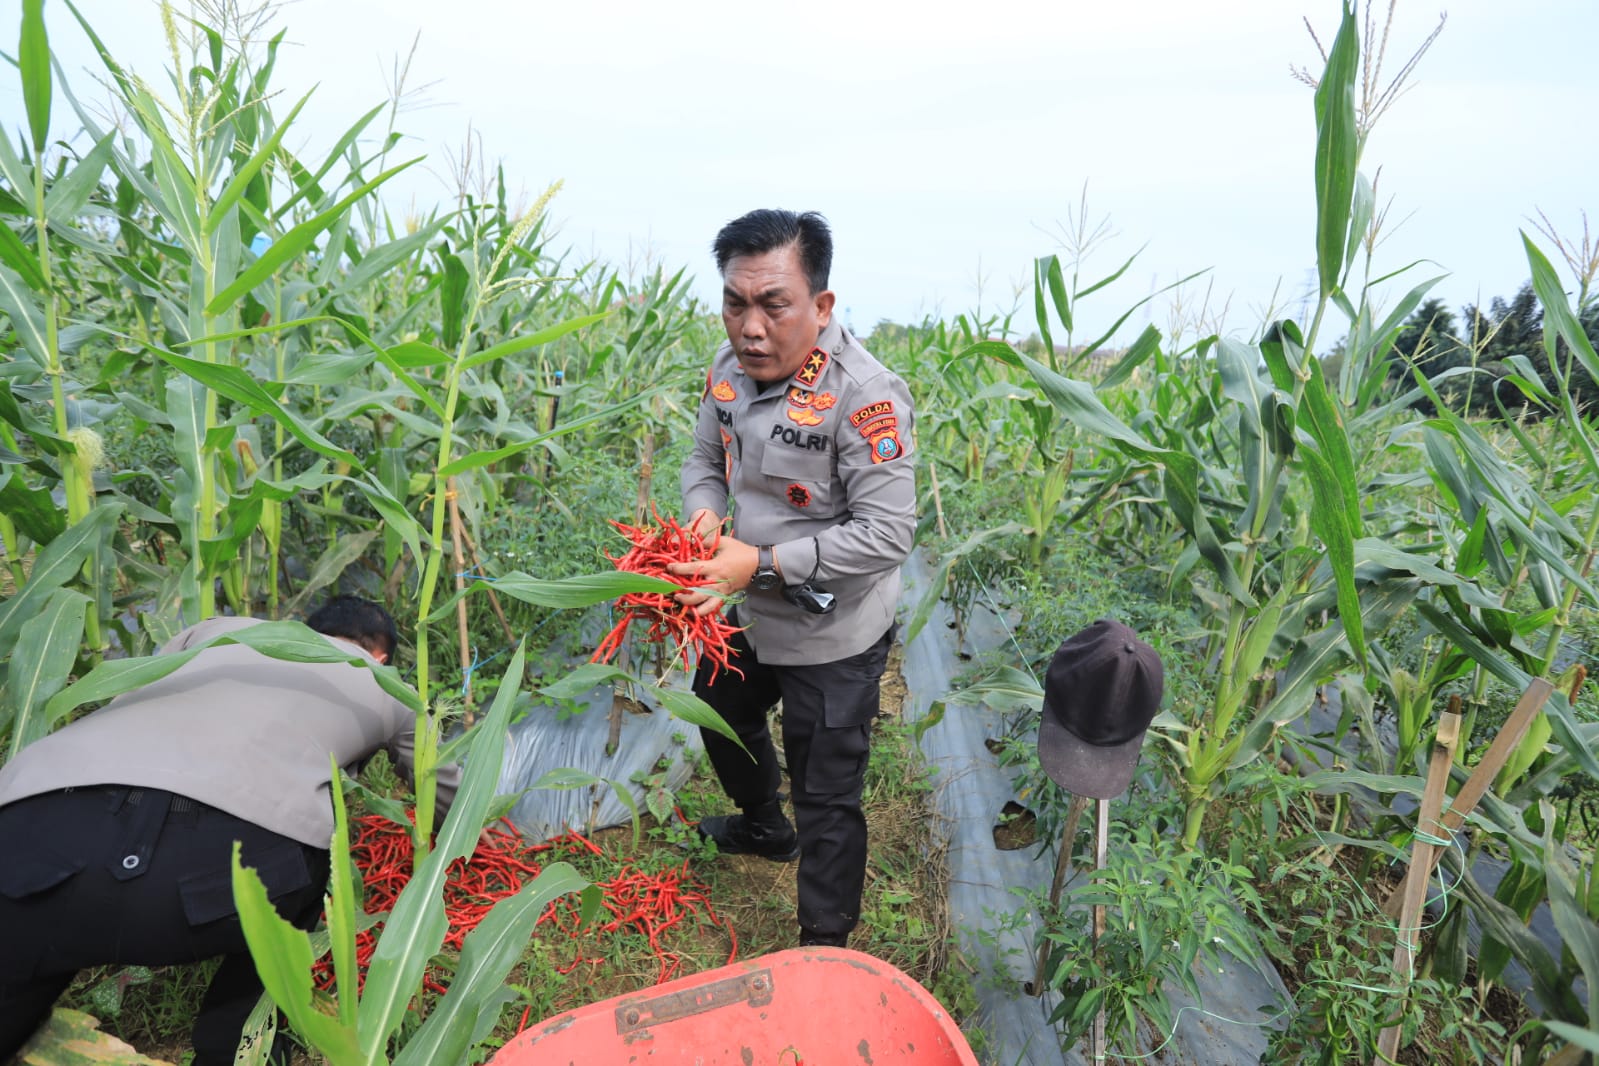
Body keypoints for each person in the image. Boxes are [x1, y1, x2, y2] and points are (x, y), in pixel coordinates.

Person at [0, 596, 457, 1065]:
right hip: (213, 881)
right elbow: (444, 790)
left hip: (35, 825)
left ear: (299, 626)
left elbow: (131, 690)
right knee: (320, 852)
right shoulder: (383, 680)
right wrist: (460, 839)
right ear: (380, 654)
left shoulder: (214, 629)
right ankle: (238, 1044)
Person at [667, 209, 917, 948]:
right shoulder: (726, 371)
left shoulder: (864, 398)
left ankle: (824, 950)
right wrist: (707, 516)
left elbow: (887, 534)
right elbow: (702, 462)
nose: (750, 327)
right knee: (718, 708)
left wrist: (764, 563)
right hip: (746, 609)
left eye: (773, 305)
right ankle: (763, 828)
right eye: (735, 302)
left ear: (820, 305)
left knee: (828, 794)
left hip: (831, 629)